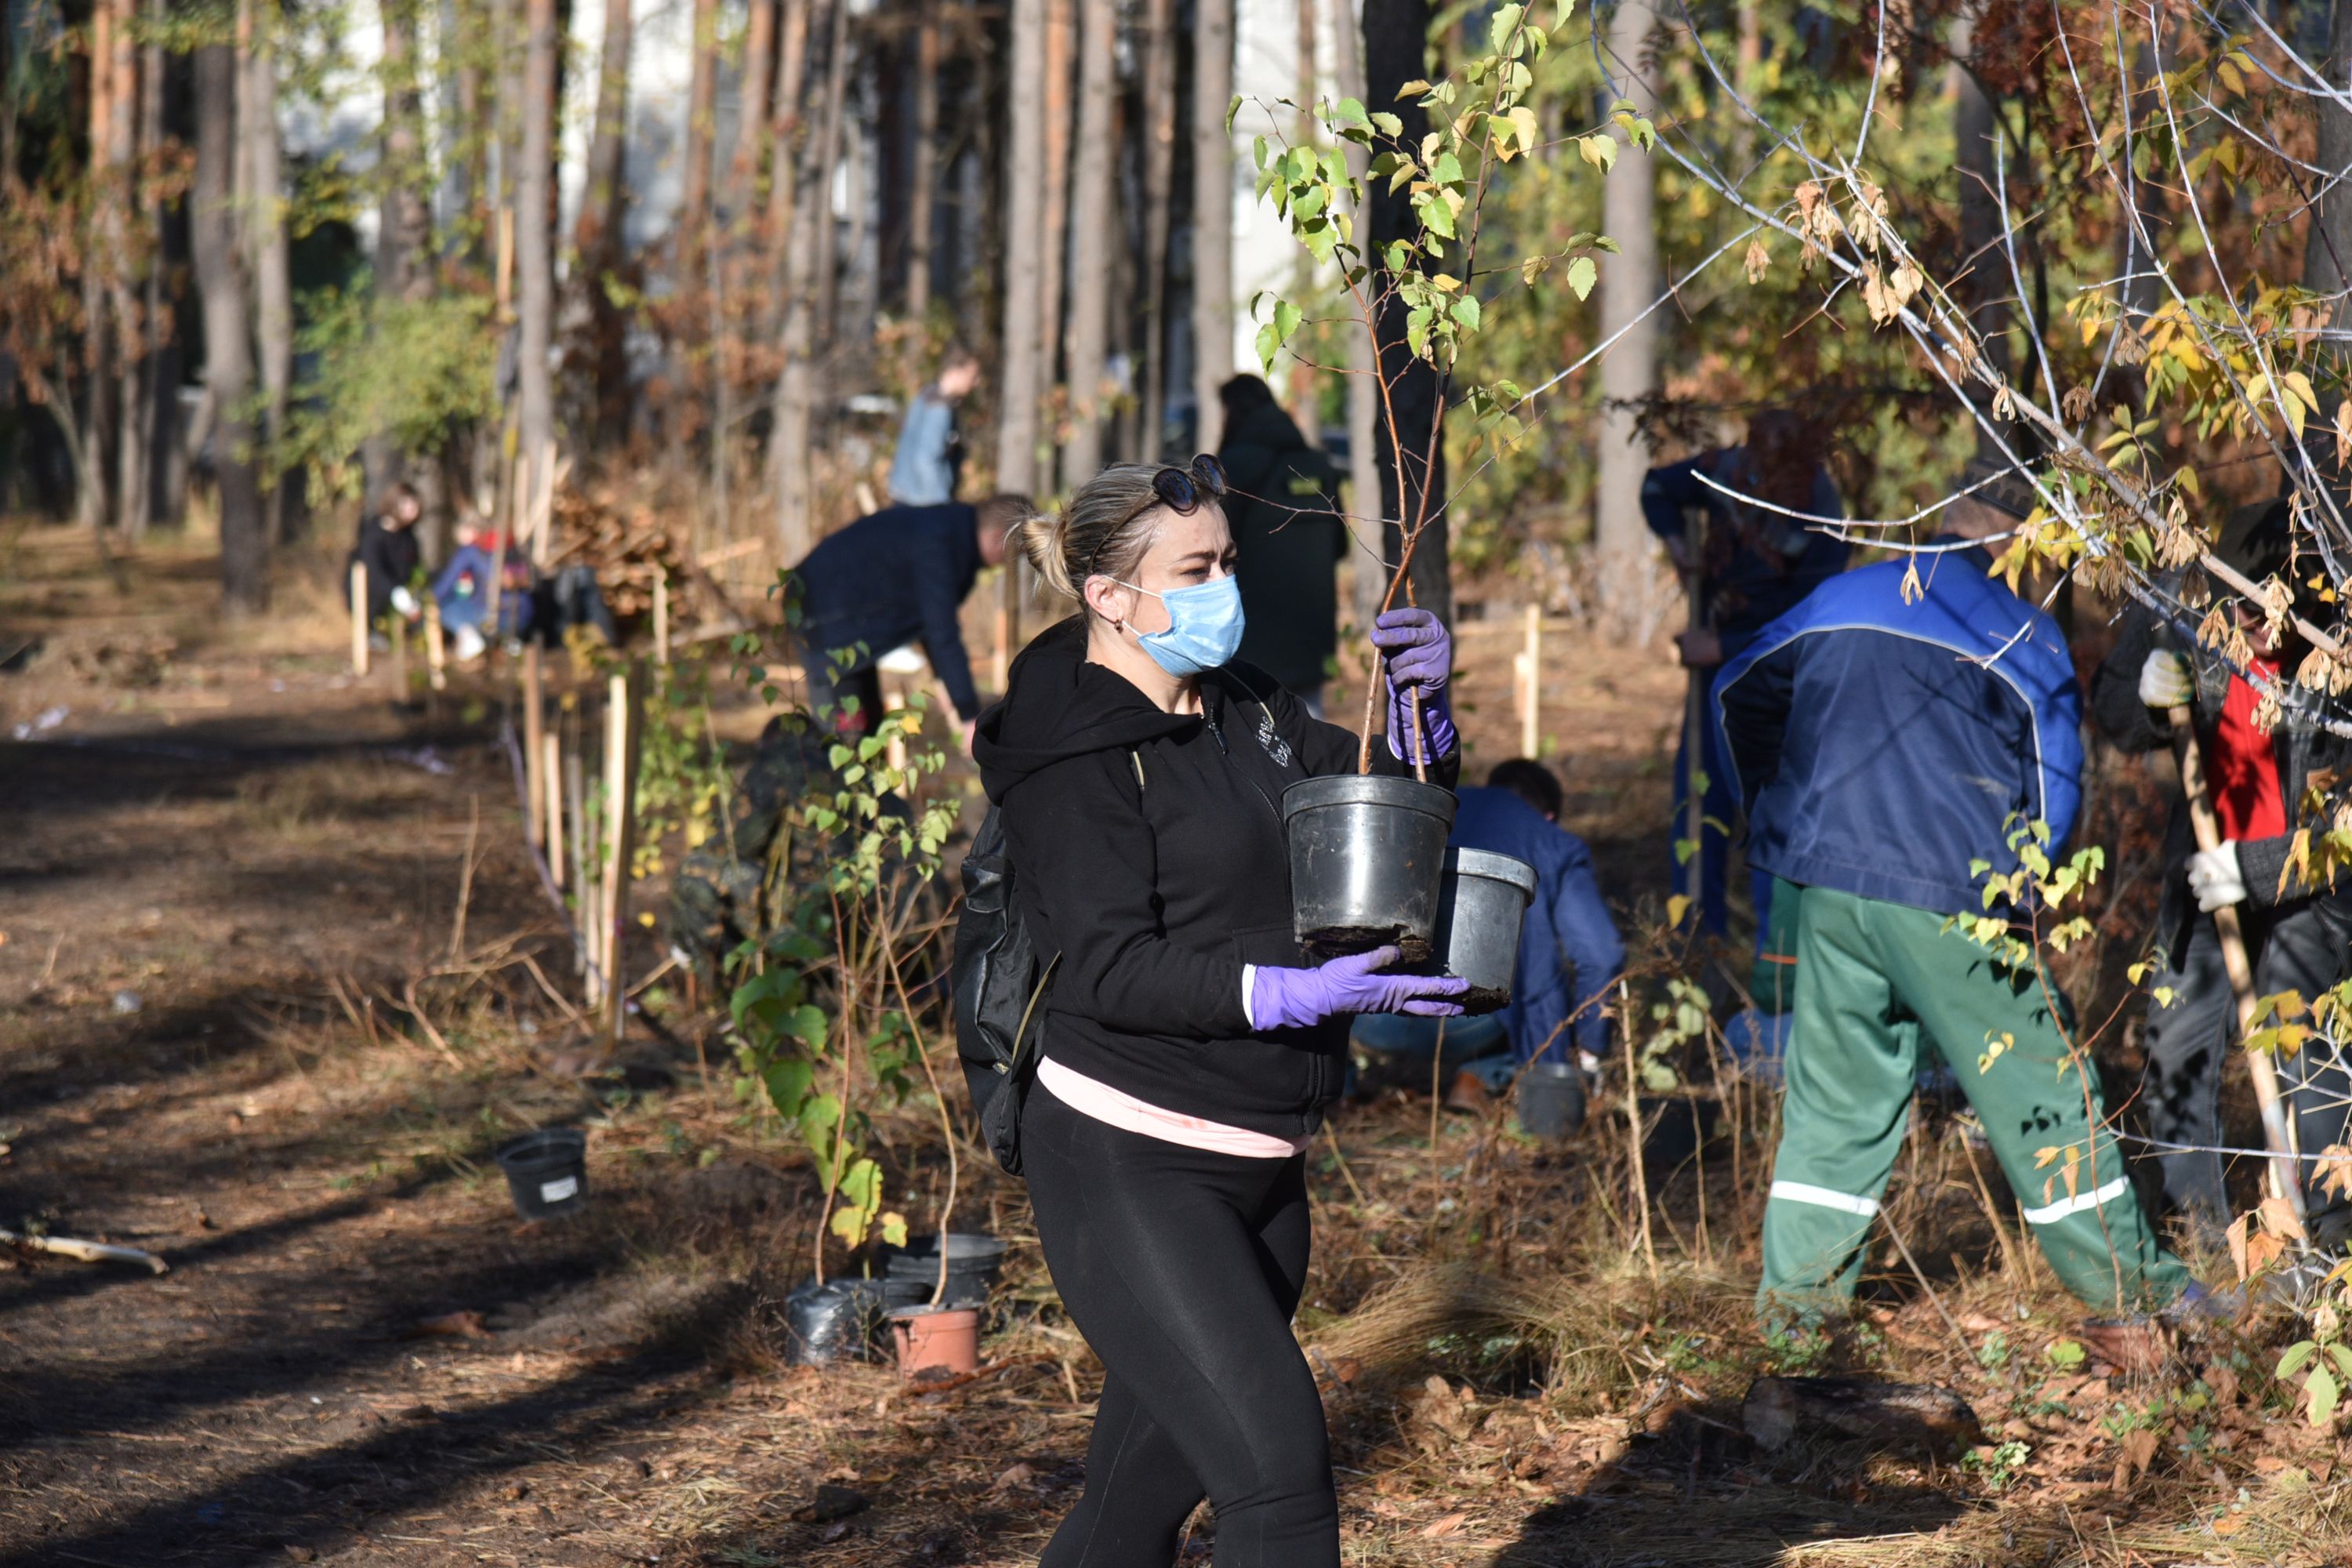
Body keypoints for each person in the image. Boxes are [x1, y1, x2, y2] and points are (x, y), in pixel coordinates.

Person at [973, 456, 1465, 1567]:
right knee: (1278, 1488)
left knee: (1125, 1516)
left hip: (1265, 1162)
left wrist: (1426, 716)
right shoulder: (1074, 753)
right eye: (1195, 570)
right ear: (1109, 594)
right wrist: (1282, 989)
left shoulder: (1252, 710)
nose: (1222, 589)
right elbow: (1105, 968)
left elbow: (1386, 824)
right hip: (1129, 1163)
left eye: (1227, 564)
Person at [1713, 459, 2193, 1325]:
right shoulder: (2023, 631)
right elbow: (2054, 783)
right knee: (2044, 1093)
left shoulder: (1839, 597)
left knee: (1834, 1104)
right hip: (1957, 896)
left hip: (1829, 890)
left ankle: (1794, 1318)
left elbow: (1735, 687)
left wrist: (1776, 814)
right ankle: (2140, 1298)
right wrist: (2030, 882)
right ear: (2017, 538)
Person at [2089, 497, 2352, 1254]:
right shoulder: (2187, 600)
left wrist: (2257, 868)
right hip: (2205, 867)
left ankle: (2329, 1254)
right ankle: (2203, 1245)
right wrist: (2144, 695)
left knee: (2310, 1060)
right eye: (2233, 607)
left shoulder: (2339, 634)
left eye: (2261, 611)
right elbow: (2111, 703)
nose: (2244, 626)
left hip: (2309, 885)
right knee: (2177, 1046)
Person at [1642, 412, 1849, 935]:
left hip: (1778, 687)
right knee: (1698, 800)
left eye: (1777, 464)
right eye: (1756, 459)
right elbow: (1656, 488)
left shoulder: (1821, 514)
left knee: (1770, 812)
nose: (1761, 475)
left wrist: (1724, 645)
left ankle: (1774, 960)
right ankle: (1696, 939)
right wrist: (1677, 542)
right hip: (1714, 678)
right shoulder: (1724, 473)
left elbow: (1809, 624)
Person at [1350, 759, 1624, 1119]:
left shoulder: (1428, 804)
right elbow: (1601, 954)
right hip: (1461, 1021)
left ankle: (1342, 1093)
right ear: (1549, 815)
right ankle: (1476, 1078)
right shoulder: (1555, 843)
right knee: (1525, 1000)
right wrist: (1590, 1051)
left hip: (1367, 1015)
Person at [788, 494, 1029, 746]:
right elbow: (941, 630)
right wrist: (970, 717)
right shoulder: (942, 541)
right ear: (998, 538)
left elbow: (925, 617)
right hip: (822, 612)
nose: (1004, 564)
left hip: (845, 619)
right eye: (1012, 555)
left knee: (870, 730)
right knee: (847, 738)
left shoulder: (952, 533)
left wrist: (943, 681)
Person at [1216, 374, 1345, 717]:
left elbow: (1212, 550)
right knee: (1311, 739)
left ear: (1233, 411)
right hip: (1311, 638)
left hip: (1253, 640)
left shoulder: (1236, 466)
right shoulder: (1319, 466)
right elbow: (1341, 546)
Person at [886, 344, 981, 506]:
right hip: (920, 501)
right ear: (955, 371)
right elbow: (926, 460)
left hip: (904, 494)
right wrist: (941, 505)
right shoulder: (939, 409)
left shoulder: (927, 394)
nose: (976, 383)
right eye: (972, 376)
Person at [432, 521, 533, 662]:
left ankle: (469, 637)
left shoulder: (471, 552)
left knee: (446, 607)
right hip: (522, 612)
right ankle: (508, 642)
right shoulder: (513, 545)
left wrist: (429, 600)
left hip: (492, 611)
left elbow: (446, 584)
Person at [347, 481, 424, 641]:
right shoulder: (374, 534)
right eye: (407, 505)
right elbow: (374, 571)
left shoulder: (408, 536)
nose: (412, 510)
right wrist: (395, 592)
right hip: (373, 597)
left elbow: (413, 566)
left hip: (399, 595)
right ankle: (372, 632)